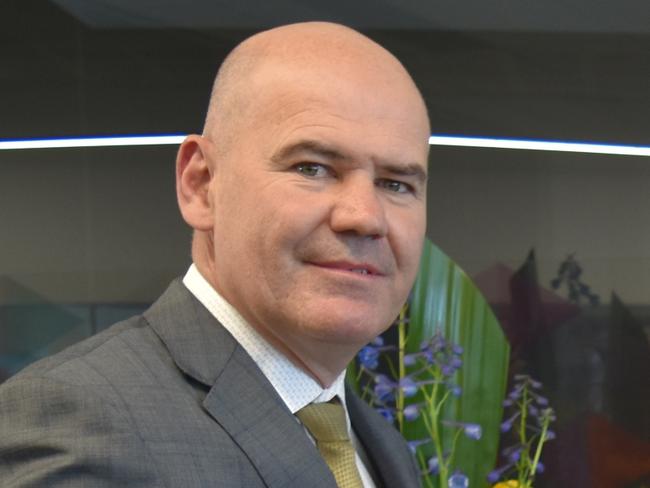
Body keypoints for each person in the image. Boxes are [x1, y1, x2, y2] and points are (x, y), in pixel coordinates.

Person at [0, 21, 430, 487]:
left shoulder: (379, 444)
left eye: (395, 184)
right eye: (313, 168)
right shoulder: (78, 420)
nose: (365, 216)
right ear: (202, 185)